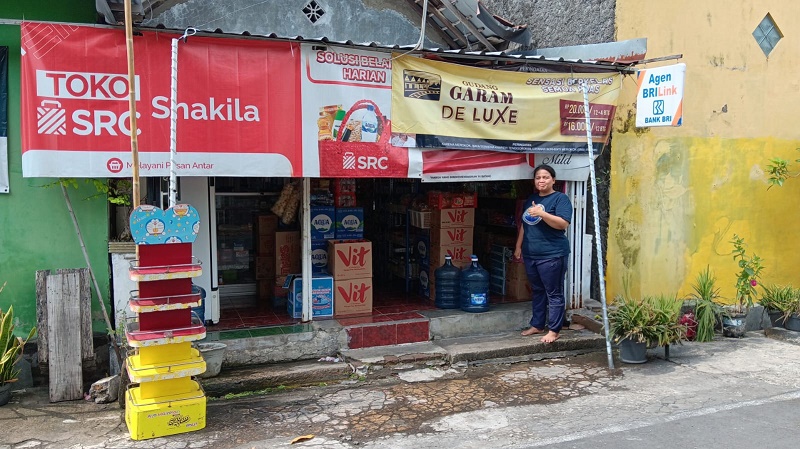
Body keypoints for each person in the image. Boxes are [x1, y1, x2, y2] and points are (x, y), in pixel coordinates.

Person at [514, 164, 573, 343]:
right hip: (531, 254)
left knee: (553, 292)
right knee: (538, 290)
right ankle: (537, 324)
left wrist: (542, 213)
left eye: (545, 177)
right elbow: (525, 224)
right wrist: (518, 246)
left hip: (552, 254)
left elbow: (563, 224)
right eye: (538, 177)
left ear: (553, 180)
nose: (541, 180)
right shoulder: (531, 199)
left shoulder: (560, 199)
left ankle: (554, 330)